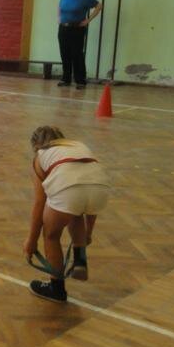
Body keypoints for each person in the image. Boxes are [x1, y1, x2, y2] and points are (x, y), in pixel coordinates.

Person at [24, 126, 111, 303]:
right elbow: (88, 200)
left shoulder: (40, 156)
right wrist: (88, 234)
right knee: (75, 211)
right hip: (101, 188)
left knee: (51, 235)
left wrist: (31, 241)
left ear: (36, 145)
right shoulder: (78, 146)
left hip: (69, 190)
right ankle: (80, 260)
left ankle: (56, 289)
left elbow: (40, 203)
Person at [57, 0, 103, 90]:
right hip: (63, 28)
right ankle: (66, 79)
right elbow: (59, 7)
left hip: (77, 29)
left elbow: (99, 6)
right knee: (64, 53)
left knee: (76, 54)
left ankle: (80, 80)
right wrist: (59, 18)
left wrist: (88, 20)